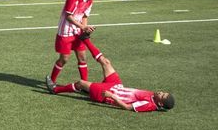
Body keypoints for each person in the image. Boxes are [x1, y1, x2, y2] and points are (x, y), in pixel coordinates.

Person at [46, 35, 175, 112]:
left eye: (162, 95)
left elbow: (127, 107)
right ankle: (85, 39)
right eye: (163, 92)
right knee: (106, 62)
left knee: (81, 83)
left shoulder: (149, 105)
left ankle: (55, 89)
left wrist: (111, 96)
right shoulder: (154, 97)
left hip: (109, 94)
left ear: (161, 103)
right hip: (117, 86)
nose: (160, 92)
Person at [46, 0, 102, 85]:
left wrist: (85, 29)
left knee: (82, 58)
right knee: (64, 59)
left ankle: (85, 84)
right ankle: (51, 80)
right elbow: (68, 16)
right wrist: (82, 26)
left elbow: (85, 16)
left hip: (78, 32)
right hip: (65, 32)